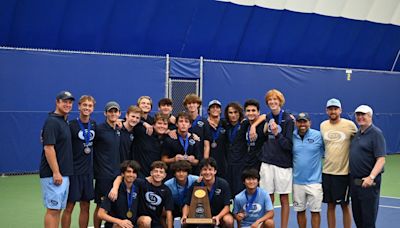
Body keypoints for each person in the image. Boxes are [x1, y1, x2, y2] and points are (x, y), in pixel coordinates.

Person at [250, 89, 293, 228]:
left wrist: (276, 134)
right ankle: (269, 225)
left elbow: (289, 145)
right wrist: (253, 126)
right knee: (267, 198)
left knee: (284, 198)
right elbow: (262, 117)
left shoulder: (288, 119)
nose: (272, 102)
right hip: (267, 162)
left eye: (275, 100)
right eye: (270, 100)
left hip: (283, 165)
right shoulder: (268, 117)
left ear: (280, 101)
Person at [40, 90, 75, 228]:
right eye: (64, 101)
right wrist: (56, 172)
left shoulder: (63, 121)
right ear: (57, 102)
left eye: (70, 102)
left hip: (63, 173)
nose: (67, 104)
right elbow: (48, 148)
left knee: (57, 209)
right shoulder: (52, 121)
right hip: (54, 175)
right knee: (53, 210)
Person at [320, 98, 357, 228]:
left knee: (345, 205)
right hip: (327, 172)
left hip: (344, 173)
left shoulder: (350, 125)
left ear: (340, 110)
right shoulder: (323, 125)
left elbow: (359, 142)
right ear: (326, 111)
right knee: (330, 205)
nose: (333, 111)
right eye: (330, 109)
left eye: (335, 109)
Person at [61, 95, 96, 228]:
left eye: (90, 106)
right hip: (73, 172)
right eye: (85, 105)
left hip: (88, 173)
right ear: (79, 107)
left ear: (93, 108)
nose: (87, 108)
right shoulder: (71, 125)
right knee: (69, 206)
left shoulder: (93, 125)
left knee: (86, 206)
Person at [349, 105, 386, 228]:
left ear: (370, 116)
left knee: (368, 221)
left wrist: (371, 177)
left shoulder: (376, 134)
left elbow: (381, 159)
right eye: (358, 115)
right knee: (358, 218)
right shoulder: (357, 134)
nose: (360, 117)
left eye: (363, 114)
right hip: (355, 183)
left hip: (368, 184)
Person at [292, 112, 324, 228]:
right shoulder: (292, 136)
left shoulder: (318, 135)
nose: (302, 124)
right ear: (296, 123)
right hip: (297, 182)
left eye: (304, 121)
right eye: (300, 121)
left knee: (315, 211)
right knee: (300, 211)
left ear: (309, 122)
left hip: (315, 182)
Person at [93, 101, 122, 228]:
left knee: (115, 204)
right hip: (103, 176)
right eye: (110, 111)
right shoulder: (98, 129)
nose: (113, 113)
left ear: (119, 113)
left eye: (115, 111)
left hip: (116, 175)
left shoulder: (119, 129)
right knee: (101, 205)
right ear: (105, 113)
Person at [181, 158, 234, 227]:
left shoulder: (223, 184)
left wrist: (218, 216)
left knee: (228, 220)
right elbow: (187, 204)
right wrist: (184, 215)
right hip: (201, 215)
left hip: (219, 215)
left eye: (210, 169)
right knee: (184, 223)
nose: (207, 172)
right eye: (205, 169)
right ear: (201, 172)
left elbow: (227, 206)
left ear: (215, 171)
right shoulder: (196, 184)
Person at [98, 160, 142, 228]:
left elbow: (152, 179)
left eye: (134, 172)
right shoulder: (113, 191)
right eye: (128, 171)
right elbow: (100, 214)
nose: (131, 175)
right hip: (116, 225)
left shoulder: (138, 185)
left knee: (146, 221)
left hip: (131, 225)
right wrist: (119, 221)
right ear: (122, 174)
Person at [137, 161, 174, 228]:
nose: (158, 174)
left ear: (165, 175)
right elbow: (123, 177)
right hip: (140, 219)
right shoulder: (142, 183)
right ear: (151, 173)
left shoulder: (166, 190)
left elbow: (169, 212)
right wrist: (115, 188)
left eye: (161, 172)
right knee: (146, 221)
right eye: (156, 171)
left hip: (156, 221)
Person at [132, 113, 169, 178]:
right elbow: (131, 121)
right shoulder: (143, 132)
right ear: (153, 125)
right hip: (139, 176)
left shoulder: (167, 139)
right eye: (159, 123)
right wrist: (143, 123)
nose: (162, 126)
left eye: (165, 124)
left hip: (155, 178)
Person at [224, 102, 247, 197]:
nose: (233, 115)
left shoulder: (245, 124)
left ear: (240, 113)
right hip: (228, 165)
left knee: (240, 193)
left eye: (235, 112)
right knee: (228, 193)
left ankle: (240, 212)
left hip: (240, 165)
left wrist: (253, 126)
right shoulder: (225, 125)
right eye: (230, 113)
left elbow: (263, 117)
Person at [183, 93, 211, 160]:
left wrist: (205, 161)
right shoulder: (183, 121)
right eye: (189, 103)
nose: (191, 105)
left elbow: (206, 145)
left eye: (194, 103)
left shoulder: (204, 122)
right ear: (186, 105)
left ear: (198, 104)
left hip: (199, 158)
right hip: (185, 157)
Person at [206, 99, 228, 177]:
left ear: (220, 110)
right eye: (213, 107)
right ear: (208, 111)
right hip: (209, 160)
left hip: (223, 161)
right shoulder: (204, 124)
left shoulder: (225, 123)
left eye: (217, 107)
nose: (215, 109)